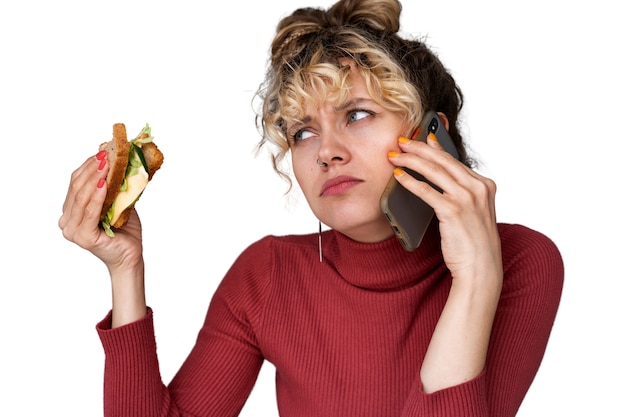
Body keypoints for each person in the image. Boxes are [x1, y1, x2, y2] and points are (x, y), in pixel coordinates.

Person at [58, 0, 564, 415]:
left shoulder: (520, 261)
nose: (326, 150)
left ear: (434, 134)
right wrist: (125, 270)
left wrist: (476, 275)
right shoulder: (268, 275)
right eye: (303, 132)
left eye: (358, 114)